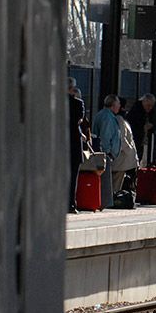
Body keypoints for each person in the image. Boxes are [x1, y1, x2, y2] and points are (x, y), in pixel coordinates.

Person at [112, 99, 140, 196]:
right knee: (117, 180)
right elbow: (122, 139)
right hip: (122, 158)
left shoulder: (119, 119)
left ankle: (114, 196)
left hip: (122, 157)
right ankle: (114, 198)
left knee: (118, 179)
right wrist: (130, 151)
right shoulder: (120, 119)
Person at [67, 77, 86, 214]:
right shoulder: (78, 103)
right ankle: (70, 204)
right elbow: (79, 120)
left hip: (58, 144)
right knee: (73, 176)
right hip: (73, 143)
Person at [125, 93, 156, 163]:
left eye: (152, 106)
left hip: (142, 140)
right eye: (148, 105)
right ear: (143, 102)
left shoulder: (150, 112)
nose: (150, 108)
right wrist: (144, 127)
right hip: (135, 139)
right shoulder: (136, 112)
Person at [93, 94, 123, 164]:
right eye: (118, 103)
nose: (119, 106)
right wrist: (108, 154)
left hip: (102, 154)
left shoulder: (101, 114)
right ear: (113, 105)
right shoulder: (108, 117)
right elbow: (105, 137)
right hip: (106, 156)